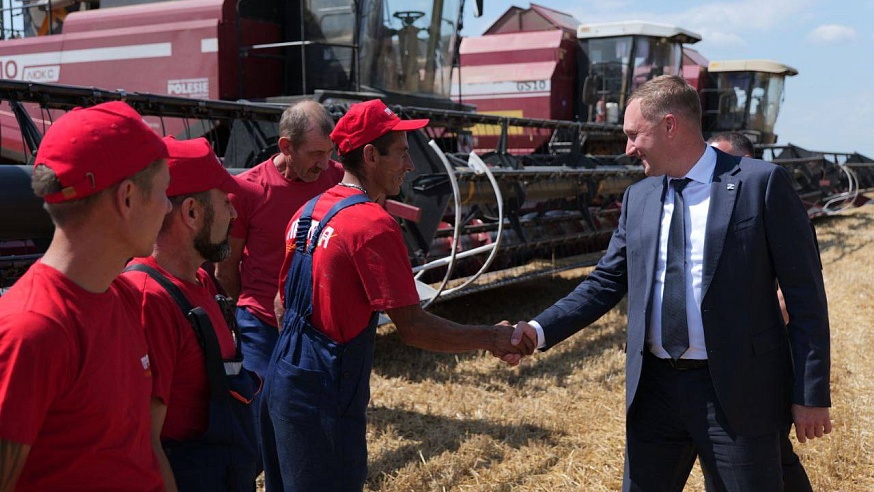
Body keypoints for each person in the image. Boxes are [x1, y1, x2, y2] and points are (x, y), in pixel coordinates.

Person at [511, 76, 831, 491]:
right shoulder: (639, 197)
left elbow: (806, 295)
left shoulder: (760, 183)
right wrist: (537, 331)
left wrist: (810, 393)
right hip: (655, 391)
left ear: (669, 125)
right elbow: (604, 282)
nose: (628, 149)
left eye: (633, 135)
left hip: (737, 391)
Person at [259, 99, 535, 492]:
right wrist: (492, 338)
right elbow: (414, 328)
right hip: (324, 400)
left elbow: (281, 306)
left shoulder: (307, 212)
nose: (410, 165)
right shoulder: (372, 224)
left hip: (282, 383)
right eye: (403, 154)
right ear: (370, 155)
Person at [0, 101, 170, 491]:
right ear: (127, 198)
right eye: (164, 191)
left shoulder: (119, 297)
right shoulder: (32, 330)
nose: (167, 207)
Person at [122, 137, 261, 491]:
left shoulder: (200, 279)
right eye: (226, 203)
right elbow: (143, 443)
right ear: (192, 213)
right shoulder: (148, 299)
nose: (233, 214)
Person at [708, 131, 813, 492]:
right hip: (731, 360)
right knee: (774, 455)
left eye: (720, 161)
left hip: (762, 358)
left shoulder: (769, 195)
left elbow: (797, 290)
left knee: (766, 453)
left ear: (745, 161)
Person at [214, 100, 344, 380]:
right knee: (261, 407)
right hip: (261, 324)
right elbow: (226, 268)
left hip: (318, 324)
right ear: (286, 147)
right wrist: (235, 327)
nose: (324, 163)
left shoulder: (337, 179)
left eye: (330, 152)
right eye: (315, 154)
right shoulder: (249, 189)